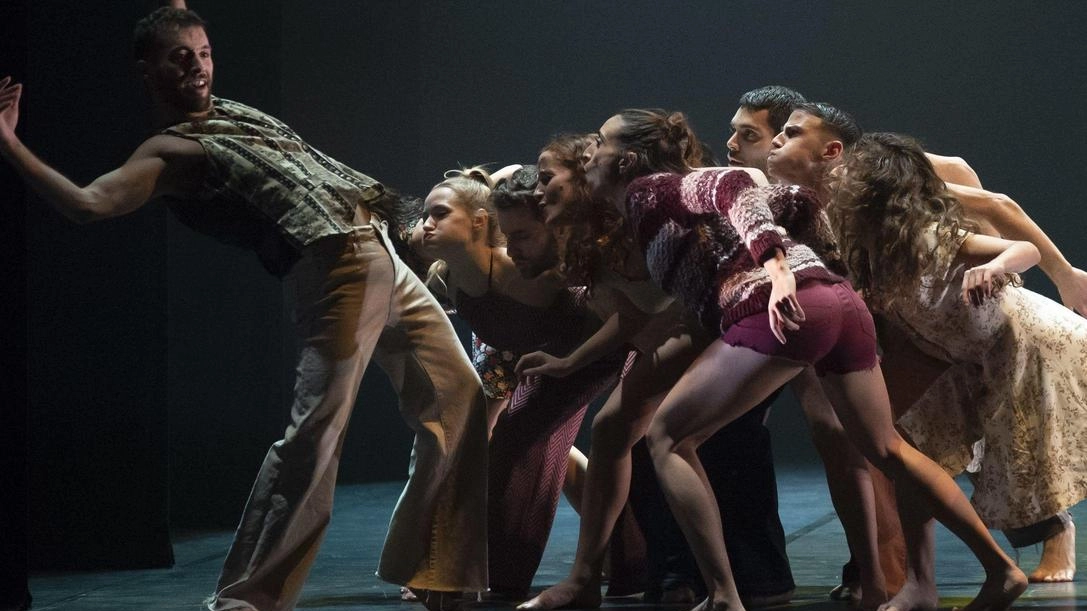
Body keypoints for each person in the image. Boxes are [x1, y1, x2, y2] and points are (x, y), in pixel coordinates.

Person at [0, 7, 489, 611]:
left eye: (204, 54)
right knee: (315, 433)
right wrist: (8, 143)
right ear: (147, 71)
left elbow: (177, 15)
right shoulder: (170, 150)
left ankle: (436, 569)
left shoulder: (221, 111)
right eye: (180, 58)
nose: (198, 67)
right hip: (335, 267)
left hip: (381, 248)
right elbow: (87, 204)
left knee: (460, 394)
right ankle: (247, 598)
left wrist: (179, 22)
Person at [581, 107, 1026, 611]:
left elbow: (732, 185)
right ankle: (998, 570)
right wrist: (824, 266)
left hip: (782, 307)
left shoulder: (651, 189)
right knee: (886, 449)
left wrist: (776, 266)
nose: (590, 152)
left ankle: (725, 596)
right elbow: (793, 200)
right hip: (837, 302)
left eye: (600, 142)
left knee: (667, 437)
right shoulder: (656, 209)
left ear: (629, 160)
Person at [827, 132, 1087, 607]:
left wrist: (998, 265)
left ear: (877, 190)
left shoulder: (925, 233)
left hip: (1020, 341)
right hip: (953, 352)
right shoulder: (860, 238)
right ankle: (919, 583)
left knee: (1033, 454)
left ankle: (1050, 534)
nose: (839, 177)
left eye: (852, 174)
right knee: (908, 451)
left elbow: (1021, 249)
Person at [416, 165, 647, 600]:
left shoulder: (536, 274)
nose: (426, 225)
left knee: (522, 438)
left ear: (480, 223)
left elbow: (619, 313)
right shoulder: (443, 268)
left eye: (441, 214)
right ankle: (630, 561)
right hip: (535, 357)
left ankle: (502, 577)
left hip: (595, 345)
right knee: (518, 442)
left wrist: (569, 360)